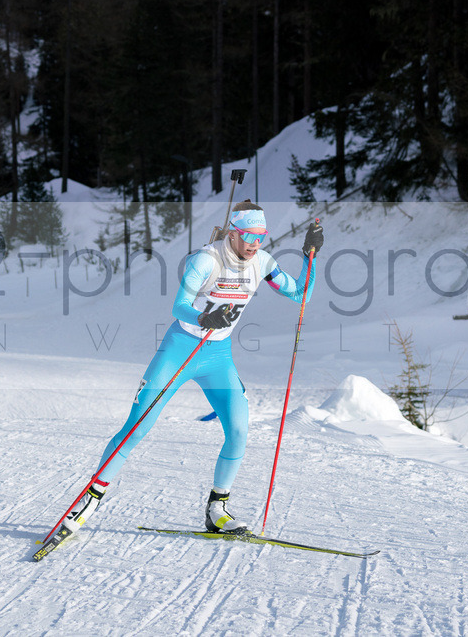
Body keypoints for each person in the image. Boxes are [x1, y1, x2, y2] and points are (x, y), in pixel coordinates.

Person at [62, 201, 324, 538]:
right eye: (248, 236)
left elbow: (301, 294)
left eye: (261, 237)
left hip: (218, 356)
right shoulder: (205, 260)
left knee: (239, 430)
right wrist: (204, 317)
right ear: (233, 232)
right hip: (182, 349)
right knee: (137, 427)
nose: (254, 244)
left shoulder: (263, 262)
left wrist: (309, 257)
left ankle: (217, 509)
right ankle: (91, 498)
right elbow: (179, 306)